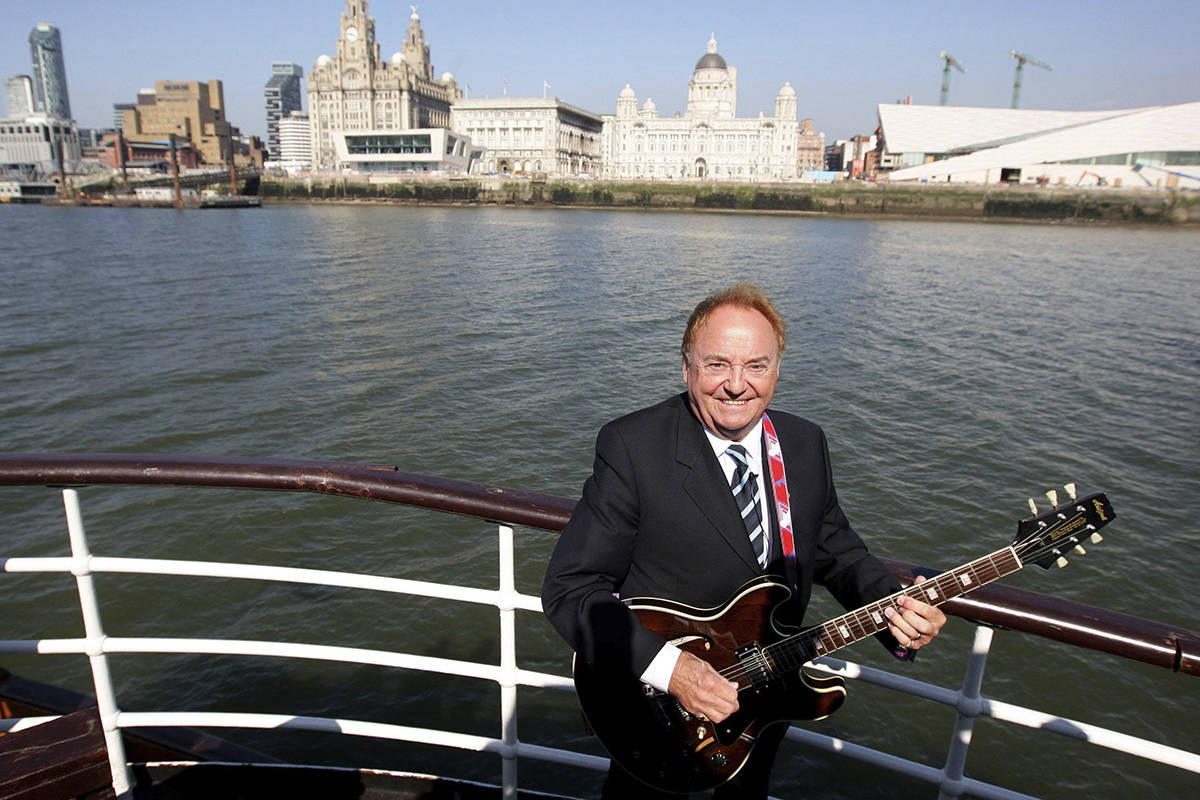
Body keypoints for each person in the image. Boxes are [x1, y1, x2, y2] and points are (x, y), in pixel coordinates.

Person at [542, 283, 946, 798]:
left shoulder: (803, 443)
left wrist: (896, 611)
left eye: (756, 365)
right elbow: (571, 589)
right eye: (716, 365)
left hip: (765, 700)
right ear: (686, 367)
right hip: (657, 711)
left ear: (778, 368)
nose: (736, 385)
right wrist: (673, 670)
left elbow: (836, 549)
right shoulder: (634, 446)